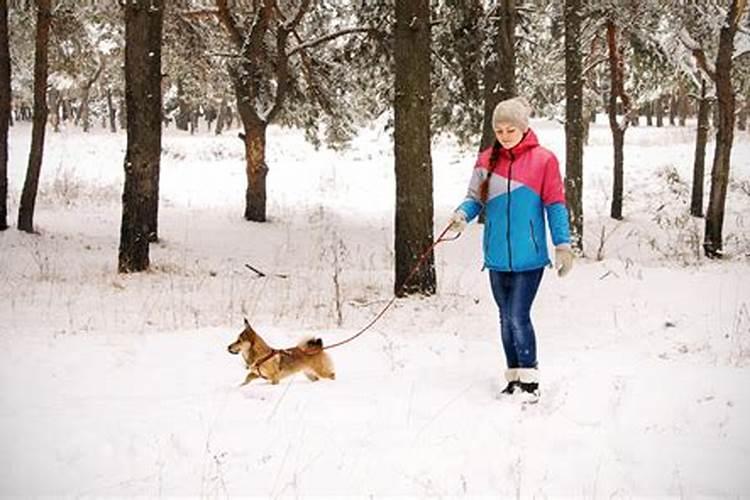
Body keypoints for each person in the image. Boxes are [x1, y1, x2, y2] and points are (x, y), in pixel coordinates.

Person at [449, 96, 573, 401]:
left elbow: (555, 204)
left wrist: (562, 244)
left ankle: (530, 378)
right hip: (496, 256)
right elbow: (474, 198)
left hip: (529, 256)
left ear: (524, 128)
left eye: (510, 129)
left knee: (518, 315)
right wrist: (462, 214)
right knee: (505, 317)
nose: (504, 135)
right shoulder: (485, 160)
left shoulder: (544, 160)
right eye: (500, 130)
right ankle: (514, 376)